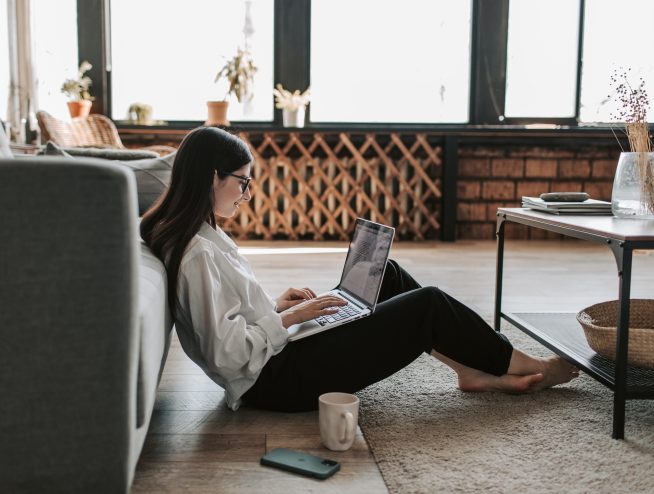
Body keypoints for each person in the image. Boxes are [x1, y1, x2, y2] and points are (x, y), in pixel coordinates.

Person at [140, 127, 579, 413]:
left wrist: (277, 305)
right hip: (272, 382)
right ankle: (523, 364)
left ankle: (469, 369)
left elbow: (226, 320)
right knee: (428, 305)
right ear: (212, 177)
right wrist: (289, 319)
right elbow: (227, 355)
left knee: (385, 273)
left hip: (276, 357)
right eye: (243, 181)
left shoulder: (202, 235)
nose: (248, 193)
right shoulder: (198, 252)